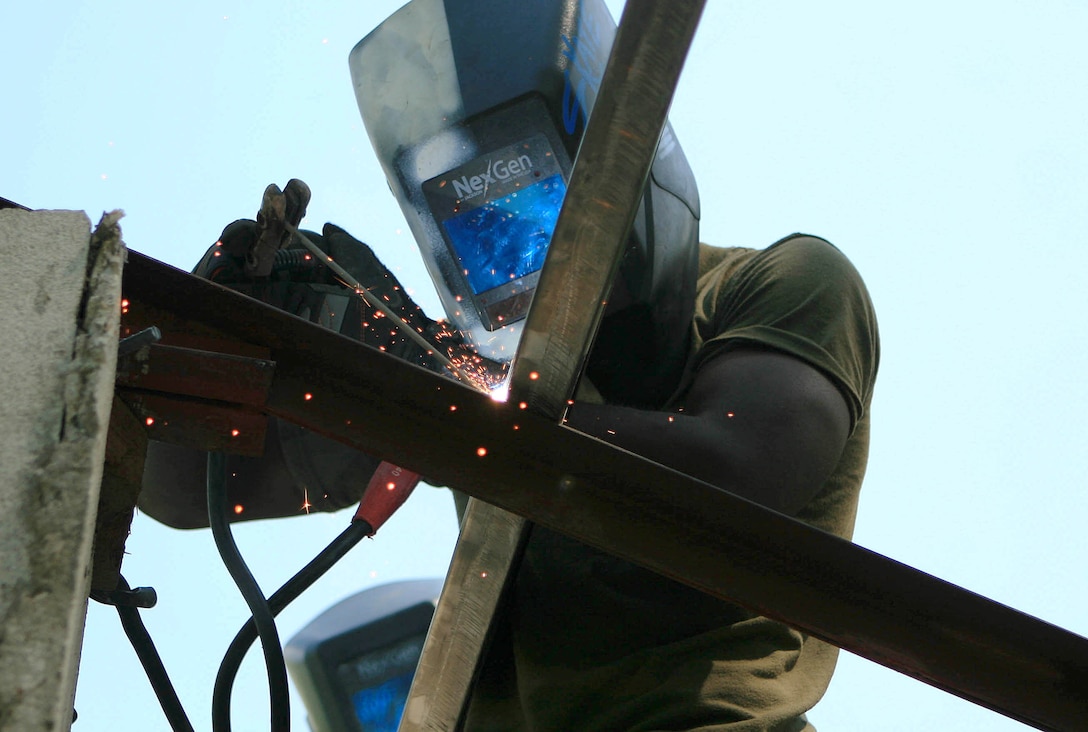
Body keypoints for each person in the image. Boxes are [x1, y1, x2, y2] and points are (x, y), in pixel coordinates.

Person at [141, 0, 879, 729]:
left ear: (624, 162)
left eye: (540, 200)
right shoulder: (459, 373)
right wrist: (209, 346)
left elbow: (739, 469)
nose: (531, 253)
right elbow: (176, 489)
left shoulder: (784, 284)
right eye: (485, 227)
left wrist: (442, 399)